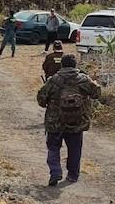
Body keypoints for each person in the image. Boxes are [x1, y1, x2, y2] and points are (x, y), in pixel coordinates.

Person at [36, 54, 101, 186]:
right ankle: (72, 175)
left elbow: (41, 100)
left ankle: (55, 171)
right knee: (75, 148)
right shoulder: (83, 79)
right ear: (75, 65)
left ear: (62, 65)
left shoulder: (53, 80)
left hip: (55, 122)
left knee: (53, 147)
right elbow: (97, 94)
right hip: (77, 121)